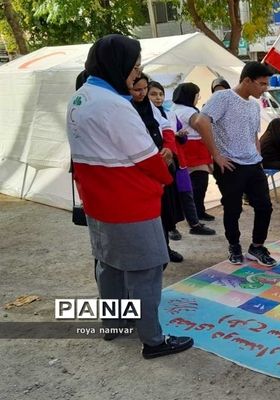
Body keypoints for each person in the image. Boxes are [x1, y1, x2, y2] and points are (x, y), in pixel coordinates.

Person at [66, 34, 193, 358]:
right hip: (130, 204)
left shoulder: (80, 96)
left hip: (99, 201)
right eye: (134, 67)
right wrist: (165, 171)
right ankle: (153, 340)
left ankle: (115, 325)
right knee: (145, 271)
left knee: (109, 264)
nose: (137, 74)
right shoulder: (115, 106)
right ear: (117, 65)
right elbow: (148, 159)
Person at [192, 62, 277, 267]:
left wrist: (257, 155)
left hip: (253, 164)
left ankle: (257, 246)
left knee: (264, 207)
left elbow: (254, 135)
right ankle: (234, 245)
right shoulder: (223, 97)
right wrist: (216, 155)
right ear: (247, 80)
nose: (265, 89)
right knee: (233, 209)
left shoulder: (254, 105)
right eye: (262, 84)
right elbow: (201, 122)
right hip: (230, 165)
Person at [148, 81, 216, 238]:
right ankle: (171, 228)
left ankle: (194, 223)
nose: (158, 98)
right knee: (168, 196)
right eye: (153, 94)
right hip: (160, 162)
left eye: (160, 94)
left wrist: (181, 136)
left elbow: (179, 135)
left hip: (178, 160)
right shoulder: (145, 116)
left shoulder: (171, 114)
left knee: (186, 192)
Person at [130, 73, 185, 263]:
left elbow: (165, 126)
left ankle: (164, 249)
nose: (142, 93)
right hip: (143, 168)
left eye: (144, 89)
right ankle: (152, 253)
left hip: (162, 165)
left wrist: (169, 147)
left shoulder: (150, 106)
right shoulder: (124, 107)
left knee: (163, 211)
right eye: (137, 89)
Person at [171, 83, 219, 229]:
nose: (198, 98)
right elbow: (201, 125)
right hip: (194, 151)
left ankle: (197, 211)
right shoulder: (189, 112)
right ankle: (197, 212)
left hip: (187, 150)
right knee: (200, 183)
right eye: (197, 95)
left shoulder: (175, 109)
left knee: (193, 185)